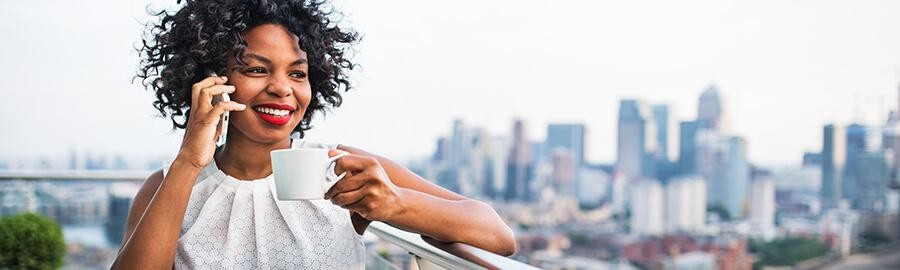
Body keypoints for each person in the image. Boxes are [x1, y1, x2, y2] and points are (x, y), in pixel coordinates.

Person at [111, 0, 516, 269]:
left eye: (298, 73)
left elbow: (497, 235)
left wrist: (395, 204)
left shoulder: (339, 169)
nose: (282, 88)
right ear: (211, 80)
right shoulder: (167, 186)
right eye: (256, 69)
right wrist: (189, 161)